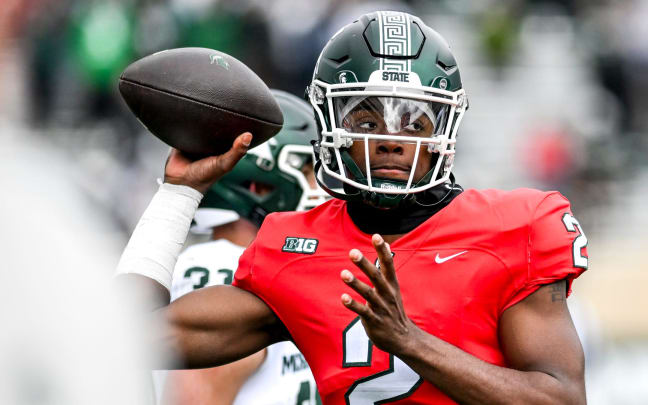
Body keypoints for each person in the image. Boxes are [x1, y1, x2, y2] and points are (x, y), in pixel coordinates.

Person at [117, 11, 588, 404]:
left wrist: (409, 341)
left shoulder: (514, 227)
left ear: (442, 130)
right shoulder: (294, 249)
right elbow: (125, 336)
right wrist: (178, 195)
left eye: (413, 120)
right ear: (329, 124)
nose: (390, 141)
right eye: (365, 118)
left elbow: (561, 398)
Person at [156, 90, 326, 404]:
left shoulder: (274, 269)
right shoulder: (222, 269)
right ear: (259, 186)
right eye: (306, 172)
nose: (322, 190)